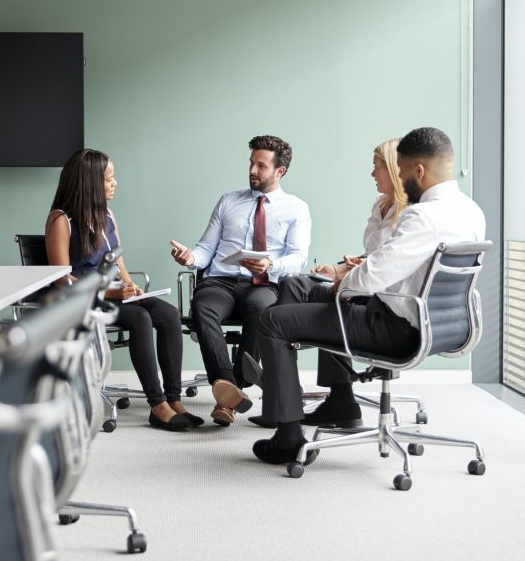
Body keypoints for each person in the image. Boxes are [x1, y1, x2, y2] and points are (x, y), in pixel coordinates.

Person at [249, 127, 486, 464]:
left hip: (394, 329)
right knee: (314, 295)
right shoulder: (471, 211)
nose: (402, 180)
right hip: (443, 325)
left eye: (402, 172)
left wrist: (341, 287)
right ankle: (334, 401)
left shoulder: (424, 216)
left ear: (418, 171)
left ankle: (287, 437)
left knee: (272, 321)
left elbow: (376, 274)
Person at [245, 137, 408, 429]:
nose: (372, 174)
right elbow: (373, 256)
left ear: (395, 170)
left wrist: (349, 278)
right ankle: (318, 393)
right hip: (363, 284)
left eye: (377, 168)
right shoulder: (381, 205)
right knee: (295, 283)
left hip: (377, 299)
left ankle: (282, 388)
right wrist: (337, 268)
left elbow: (391, 267)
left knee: (322, 301)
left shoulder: (411, 216)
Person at [46, 149, 199, 432]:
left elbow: (118, 262)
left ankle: (174, 399)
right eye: (109, 179)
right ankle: (158, 406)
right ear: (90, 182)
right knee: (140, 319)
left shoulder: (107, 216)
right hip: (83, 301)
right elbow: (61, 280)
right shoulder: (61, 220)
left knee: (168, 314)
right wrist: (112, 293)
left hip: (114, 296)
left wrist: (130, 286)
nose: (114, 184)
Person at [169, 135, 312, 426]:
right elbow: (206, 248)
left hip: (263, 283)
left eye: (261, 166)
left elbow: (298, 259)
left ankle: (230, 394)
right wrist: (190, 258)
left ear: (279, 171)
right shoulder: (228, 201)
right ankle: (228, 386)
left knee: (264, 313)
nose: (252, 171)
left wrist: (270, 263)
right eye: (251, 163)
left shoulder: (296, 208)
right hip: (220, 282)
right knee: (202, 308)